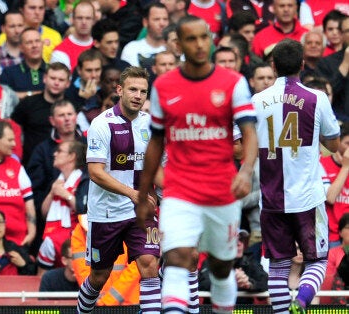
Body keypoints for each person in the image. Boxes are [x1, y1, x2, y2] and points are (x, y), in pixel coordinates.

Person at [136, 16, 258, 313]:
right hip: (180, 191)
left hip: (222, 190)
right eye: (191, 39)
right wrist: (142, 194)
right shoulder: (164, 86)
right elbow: (155, 143)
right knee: (178, 259)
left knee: (219, 268)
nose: (200, 44)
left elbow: (251, 134)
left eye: (204, 37)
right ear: (178, 44)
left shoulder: (233, 83)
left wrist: (245, 170)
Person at [252, 38, 340, 314]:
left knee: (278, 265)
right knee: (316, 261)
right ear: (302, 65)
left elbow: (238, 145)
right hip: (307, 197)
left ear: (273, 65)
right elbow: (335, 144)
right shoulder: (317, 98)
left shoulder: (256, 100)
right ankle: (301, 301)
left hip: (271, 198)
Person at [76, 66, 161, 314]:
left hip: (141, 211)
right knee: (99, 276)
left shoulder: (151, 125)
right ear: (119, 90)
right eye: (133, 89)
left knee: (149, 264)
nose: (138, 95)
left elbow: (155, 168)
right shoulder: (102, 124)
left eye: (143, 91)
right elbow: (95, 173)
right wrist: (132, 193)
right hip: (106, 213)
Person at [37, 140, 86, 273]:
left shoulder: (84, 180)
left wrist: (66, 195)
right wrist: (52, 192)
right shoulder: (59, 181)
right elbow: (44, 213)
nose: (54, 154)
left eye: (59, 151)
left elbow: (85, 210)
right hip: (53, 237)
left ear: (72, 156)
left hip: (77, 239)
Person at [11, 62, 71, 164]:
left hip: (65, 162)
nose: (56, 83)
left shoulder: (72, 106)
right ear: (44, 78)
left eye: (61, 80)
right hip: (32, 163)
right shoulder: (28, 104)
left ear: (68, 83)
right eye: (53, 78)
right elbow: (14, 129)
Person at [198, 229, 268, 304]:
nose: (239, 243)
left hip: (243, 311)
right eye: (234, 240)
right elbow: (203, 285)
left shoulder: (249, 260)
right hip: (216, 310)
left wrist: (249, 284)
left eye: (241, 239)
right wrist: (231, 279)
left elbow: (266, 282)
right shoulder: (212, 261)